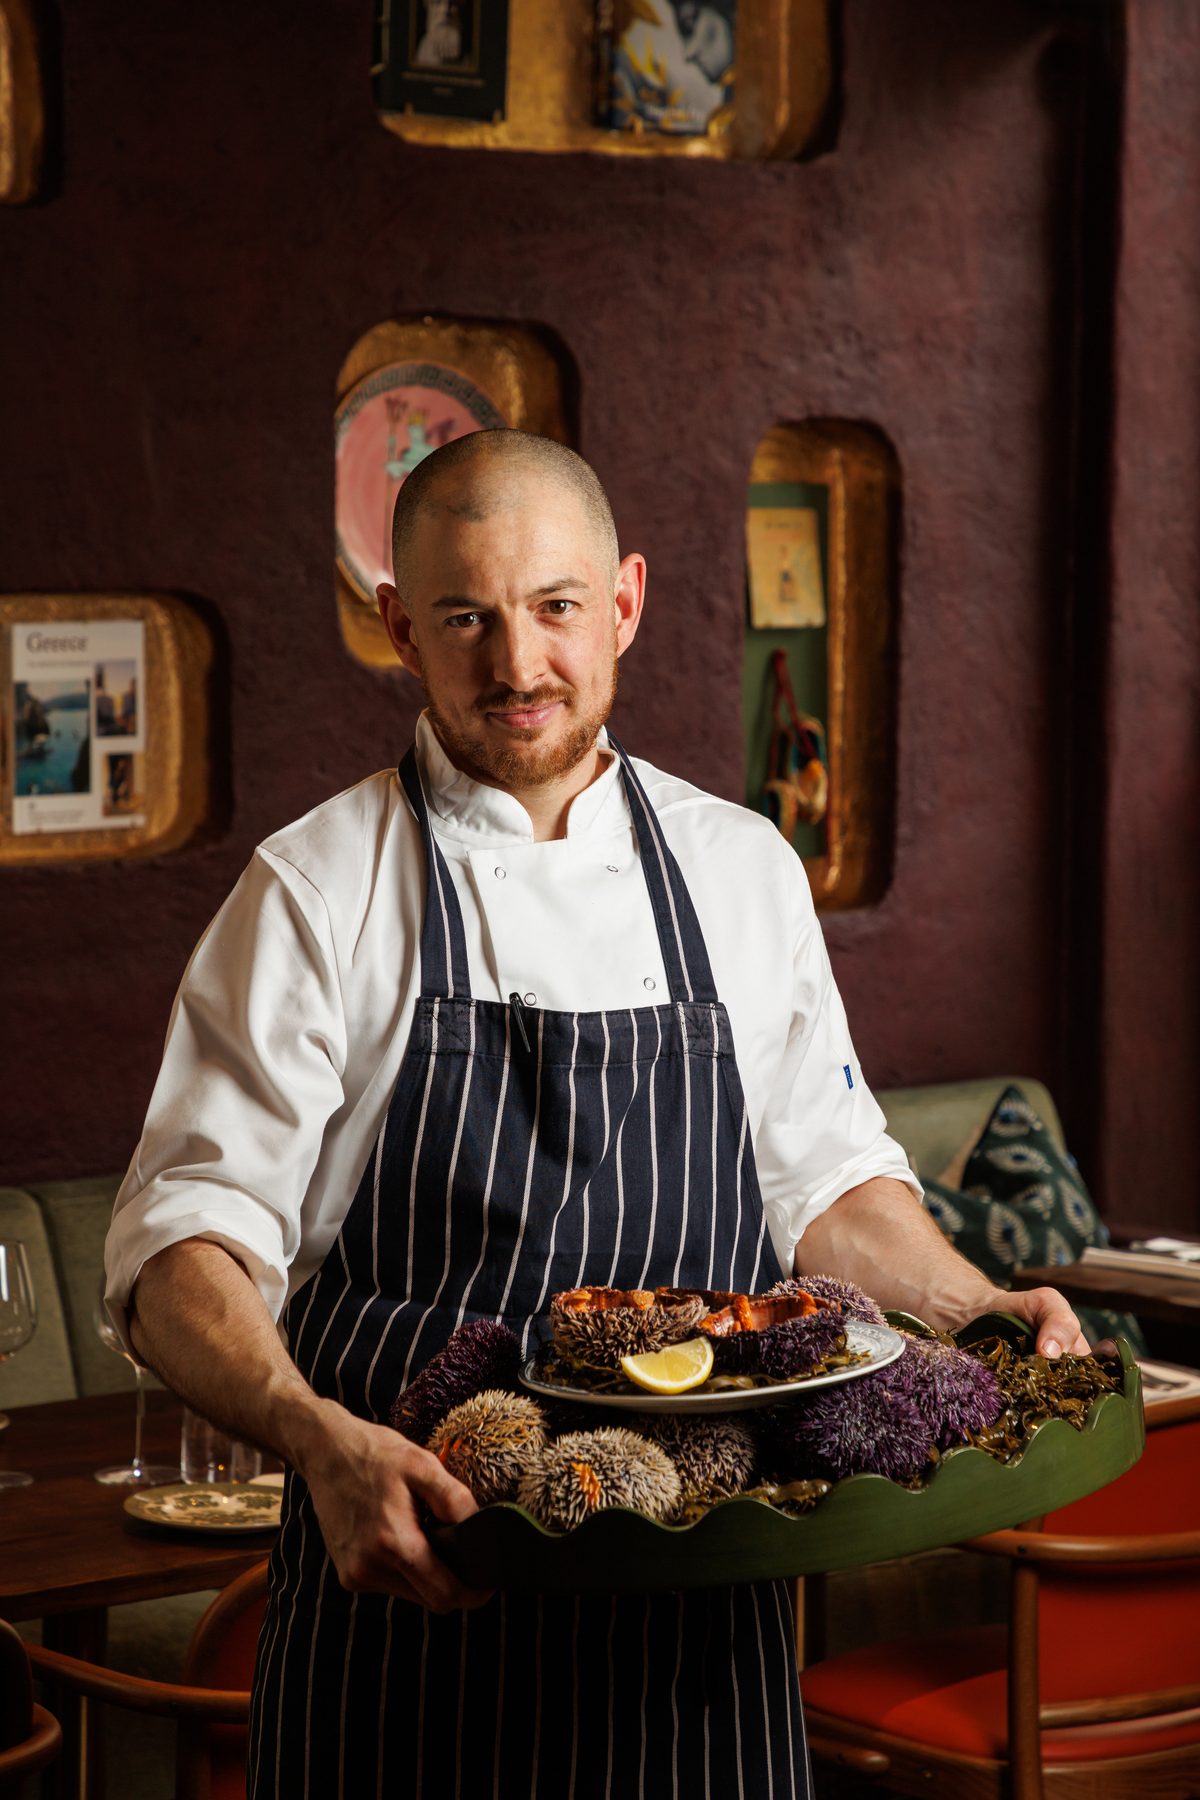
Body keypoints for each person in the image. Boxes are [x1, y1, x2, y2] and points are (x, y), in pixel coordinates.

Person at [105, 430, 1085, 1797]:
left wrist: (981, 1307)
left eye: (556, 608)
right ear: (399, 627)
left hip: (701, 1645)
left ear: (623, 602)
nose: (517, 664)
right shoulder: (316, 894)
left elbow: (830, 1192)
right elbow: (175, 1257)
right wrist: (310, 1432)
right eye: (466, 617)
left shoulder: (738, 873)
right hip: (410, 1631)